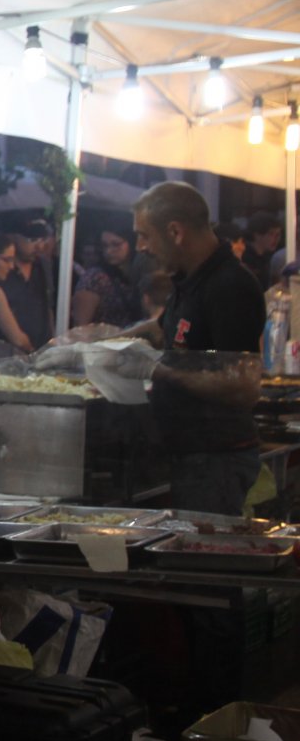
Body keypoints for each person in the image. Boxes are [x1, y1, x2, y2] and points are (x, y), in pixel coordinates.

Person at [126, 182, 266, 515]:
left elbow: (242, 386)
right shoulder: (190, 280)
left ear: (175, 231)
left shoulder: (230, 286)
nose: (140, 247)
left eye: (144, 235)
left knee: (204, 553)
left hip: (217, 459)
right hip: (188, 454)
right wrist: (107, 342)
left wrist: (157, 370)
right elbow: (163, 332)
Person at [72, 228, 140, 328]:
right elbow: (80, 326)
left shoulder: (138, 274)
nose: (109, 251)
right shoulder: (94, 278)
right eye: (104, 246)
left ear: (131, 242)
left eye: (116, 244)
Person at [2, 224, 54, 348]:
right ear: (12, 237)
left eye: (42, 240)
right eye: (32, 240)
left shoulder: (43, 265)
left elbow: (48, 306)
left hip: (42, 347)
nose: (39, 246)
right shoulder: (1, 270)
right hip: (9, 351)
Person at [241, 211, 281, 290]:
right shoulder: (243, 256)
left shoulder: (266, 257)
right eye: (271, 234)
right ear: (257, 234)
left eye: (278, 234)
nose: (276, 239)